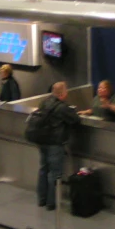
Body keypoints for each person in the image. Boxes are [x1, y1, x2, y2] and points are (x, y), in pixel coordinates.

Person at [36, 81, 80, 211]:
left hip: (42, 141)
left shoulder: (44, 102)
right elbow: (75, 120)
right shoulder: (62, 107)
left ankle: (41, 199)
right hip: (55, 143)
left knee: (43, 169)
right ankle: (51, 203)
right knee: (54, 174)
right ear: (62, 94)